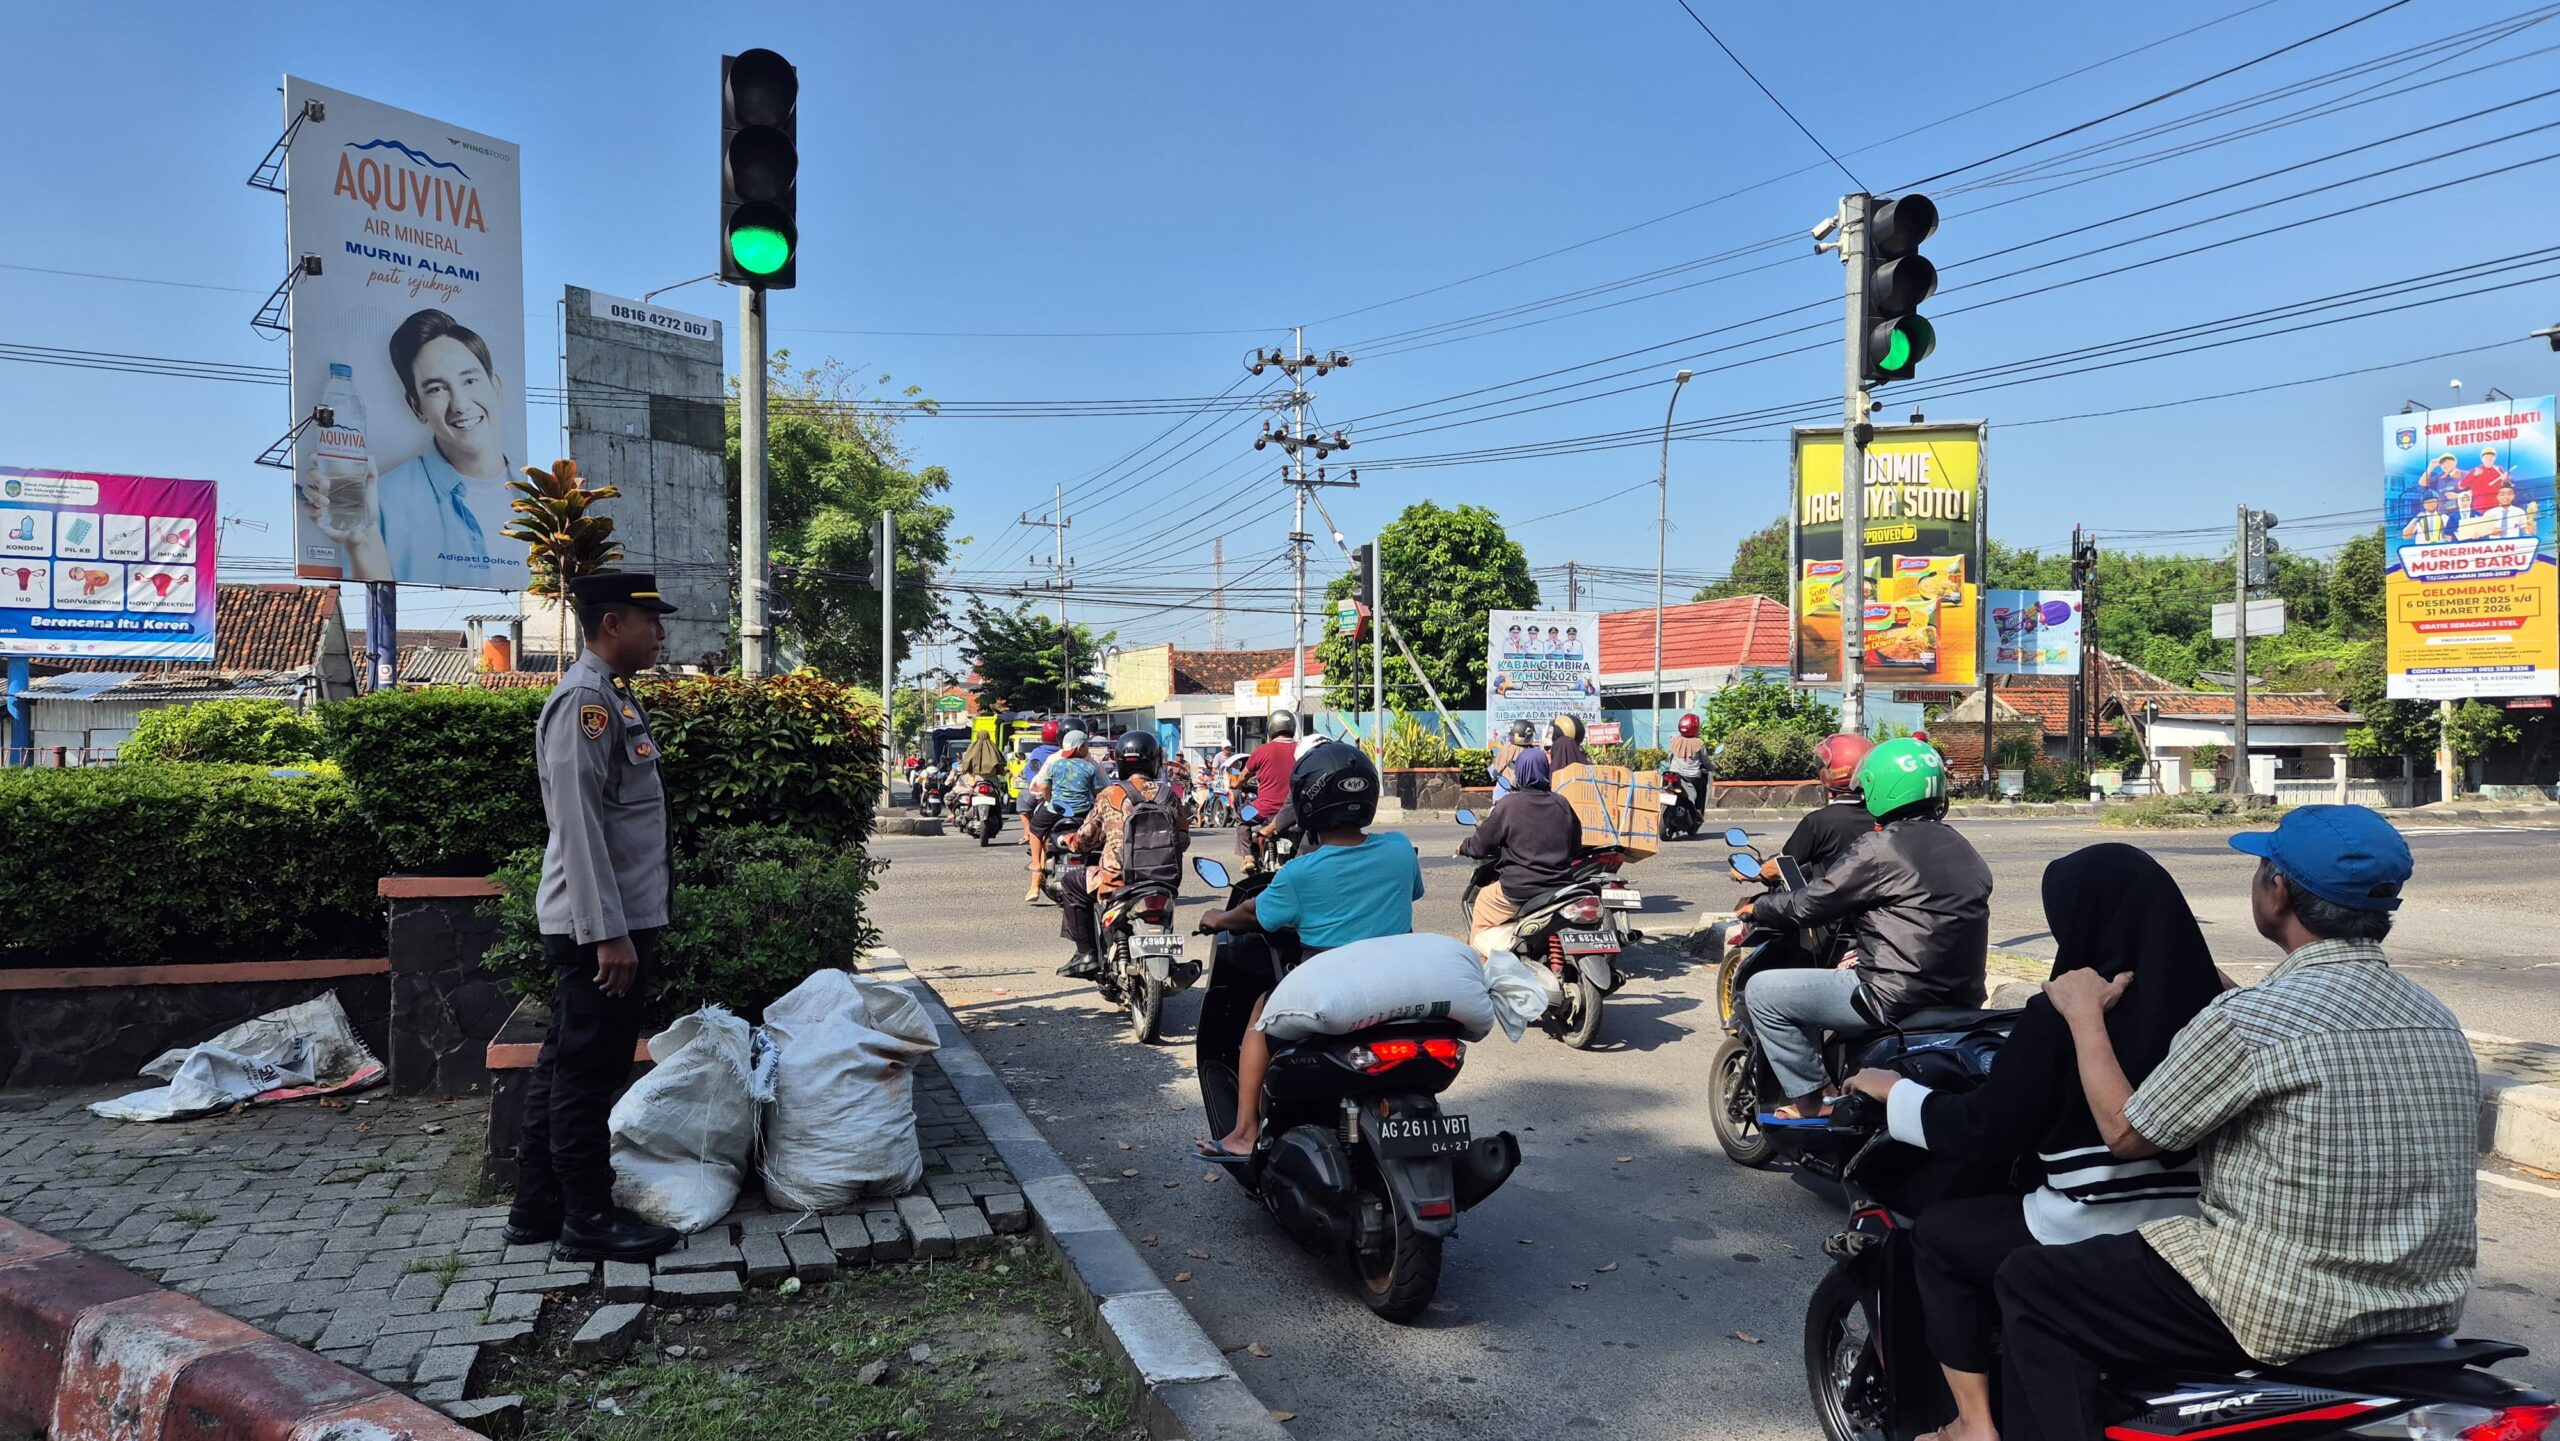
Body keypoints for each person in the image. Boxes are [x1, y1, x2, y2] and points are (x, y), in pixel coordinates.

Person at [1996, 806, 2476, 1441]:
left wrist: (2084, 1017)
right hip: (2424, 1305)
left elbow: (2127, 1132)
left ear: (2276, 891)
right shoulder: (2433, 1016)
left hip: (2280, 1305)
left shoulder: (2253, 1022)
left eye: (2260, 868)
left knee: (2031, 1283)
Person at [1840, 844, 2223, 1441]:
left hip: (2087, 1227)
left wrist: (1895, 1092)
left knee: (1939, 1237)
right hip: (2199, 1230)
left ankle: (1971, 1423)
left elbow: (1983, 1131)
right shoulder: (2221, 1007)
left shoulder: (2068, 1011)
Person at [506, 572, 682, 1264]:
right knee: (589, 1070)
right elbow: (577, 827)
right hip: (602, 926)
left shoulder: (609, 697)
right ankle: (587, 1219)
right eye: (650, 621)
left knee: (563, 1063)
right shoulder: (586, 702)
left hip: (609, 918)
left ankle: (536, 1207)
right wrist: (608, 930)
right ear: (613, 624)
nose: (659, 634)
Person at [1737, 737, 1990, 1121]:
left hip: (1891, 994)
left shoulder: (1880, 847)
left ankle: (1814, 1101)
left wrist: (1759, 907)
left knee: (1764, 992)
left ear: (1879, 788)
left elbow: (1809, 903)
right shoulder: (1961, 844)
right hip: (1963, 996)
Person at [1198, 745, 1424, 1158]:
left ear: (1306, 802)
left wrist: (1216, 917)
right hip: (1398, 987)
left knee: (1261, 1014)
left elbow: (1254, 913)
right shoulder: (1398, 849)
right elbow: (1412, 892)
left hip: (1331, 992)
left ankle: (1245, 1132)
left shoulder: (1300, 873)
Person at [371, 310, 523, 584]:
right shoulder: (383, 503)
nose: (461, 405)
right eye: (437, 389)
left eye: (469, 380)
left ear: (496, 387)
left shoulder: (538, 503)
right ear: (416, 406)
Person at [1057, 731, 1191, 979]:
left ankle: (1086, 954)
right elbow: (1182, 840)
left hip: (1118, 879)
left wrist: (1068, 840)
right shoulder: (1169, 795)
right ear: (1155, 761)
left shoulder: (1110, 795)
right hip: (1163, 880)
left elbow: (1085, 839)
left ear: (1119, 761)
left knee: (1071, 882)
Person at [1456, 747, 1584, 937]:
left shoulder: (1509, 804)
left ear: (1520, 772)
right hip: (1561, 886)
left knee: (1482, 902)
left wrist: (1464, 847)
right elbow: (1575, 846)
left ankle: (1481, 962)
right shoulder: (1562, 803)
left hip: (1518, 889)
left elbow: (1480, 845)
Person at [1738, 733, 1881, 888]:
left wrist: (1749, 873)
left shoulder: (1818, 822)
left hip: (1829, 906)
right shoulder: (1886, 816)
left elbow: (1784, 865)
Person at [1235, 711, 1302, 866]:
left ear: (1271, 727)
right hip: (1294, 811)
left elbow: (1244, 775)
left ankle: (1248, 857)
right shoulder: (1302, 749)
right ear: (1292, 727)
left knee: (1241, 817)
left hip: (1264, 809)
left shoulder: (1261, 750)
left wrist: (1236, 784)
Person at [1018, 721, 1063, 901]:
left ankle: (1035, 879)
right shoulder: (1082, 756)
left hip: (1051, 801)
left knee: (1037, 829)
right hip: (1079, 805)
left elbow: (1038, 782)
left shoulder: (1043, 755)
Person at [1665, 713, 1708, 813]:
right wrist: (1713, 768)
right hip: (1691, 777)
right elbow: (1705, 761)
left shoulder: (1674, 740)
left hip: (1673, 774)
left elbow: (1670, 756)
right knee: (1702, 789)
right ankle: (1698, 811)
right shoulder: (1699, 743)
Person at [1490, 718, 1536, 800]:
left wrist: (1493, 773)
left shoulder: (1507, 748)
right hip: (1526, 791)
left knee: (1497, 808)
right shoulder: (1533, 751)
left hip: (1505, 789)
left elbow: (1495, 768)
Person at [2461, 446, 2513, 516]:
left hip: (2497, 506)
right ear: (2482, 459)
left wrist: (2506, 480)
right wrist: (2474, 475)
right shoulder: (2476, 470)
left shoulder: (2499, 469)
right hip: (2480, 508)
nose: (2489, 458)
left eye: (2491, 456)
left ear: (2494, 458)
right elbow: (2462, 485)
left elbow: (2506, 486)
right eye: (2486, 456)